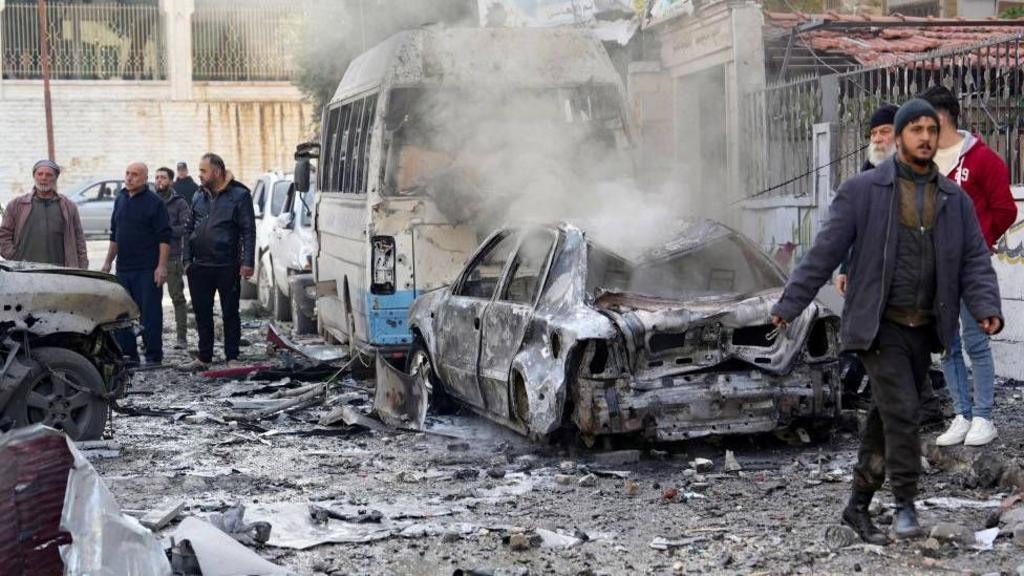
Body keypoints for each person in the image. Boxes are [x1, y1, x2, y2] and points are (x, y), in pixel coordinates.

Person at [770, 99, 1003, 543]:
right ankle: (905, 507)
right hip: (878, 325)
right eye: (915, 129)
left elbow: (974, 258)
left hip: (925, 327)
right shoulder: (863, 191)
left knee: (884, 416)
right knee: (904, 411)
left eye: (931, 129)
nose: (925, 137)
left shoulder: (953, 199)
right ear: (898, 138)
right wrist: (790, 303)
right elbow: (824, 252)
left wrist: (987, 306)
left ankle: (857, 507)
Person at [918, 85, 1018, 447]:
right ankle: (961, 413)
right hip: (933, 268)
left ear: (941, 118)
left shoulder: (982, 160)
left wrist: (978, 242)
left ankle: (984, 417)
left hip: (969, 267)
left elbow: (1006, 208)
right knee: (946, 343)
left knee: (977, 340)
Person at [180, 153, 256, 371]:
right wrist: (187, 261)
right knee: (202, 314)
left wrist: (247, 261)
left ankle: (232, 356)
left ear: (216, 172)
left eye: (203, 171)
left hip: (227, 265)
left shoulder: (240, 195)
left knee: (230, 312)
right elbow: (188, 230)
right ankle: (204, 357)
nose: (199, 175)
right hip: (200, 266)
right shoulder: (198, 196)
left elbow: (248, 231)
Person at [101, 163, 171, 366]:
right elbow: (115, 233)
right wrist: (107, 262)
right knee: (122, 315)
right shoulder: (121, 198)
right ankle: (129, 357)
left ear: (144, 178)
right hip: (123, 268)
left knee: (150, 315)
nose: (129, 178)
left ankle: (153, 356)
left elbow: (164, 237)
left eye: (135, 175)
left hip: (147, 269)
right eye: (127, 173)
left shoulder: (154, 203)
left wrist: (161, 266)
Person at [836, 104, 899, 296]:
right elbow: (853, 227)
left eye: (884, 132)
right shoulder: (864, 178)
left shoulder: (918, 176)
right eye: (873, 133)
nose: (877, 139)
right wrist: (844, 269)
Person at [0, 159, 88, 268]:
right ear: (34, 176)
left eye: (49, 175)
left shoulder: (68, 207)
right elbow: (3, 235)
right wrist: (14, 257)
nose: (44, 178)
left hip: (60, 271)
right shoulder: (17, 205)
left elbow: (79, 239)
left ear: (55, 178)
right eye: (40, 174)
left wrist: (82, 267)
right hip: (25, 271)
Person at [155, 166, 191, 350]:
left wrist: (165, 231)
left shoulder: (179, 203)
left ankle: (181, 337)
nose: (159, 181)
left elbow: (185, 227)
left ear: (170, 181)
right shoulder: (150, 201)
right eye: (157, 177)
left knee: (177, 297)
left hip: (172, 257)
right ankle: (153, 339)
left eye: (162, 178)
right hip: (151, 258)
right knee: (151, 300)